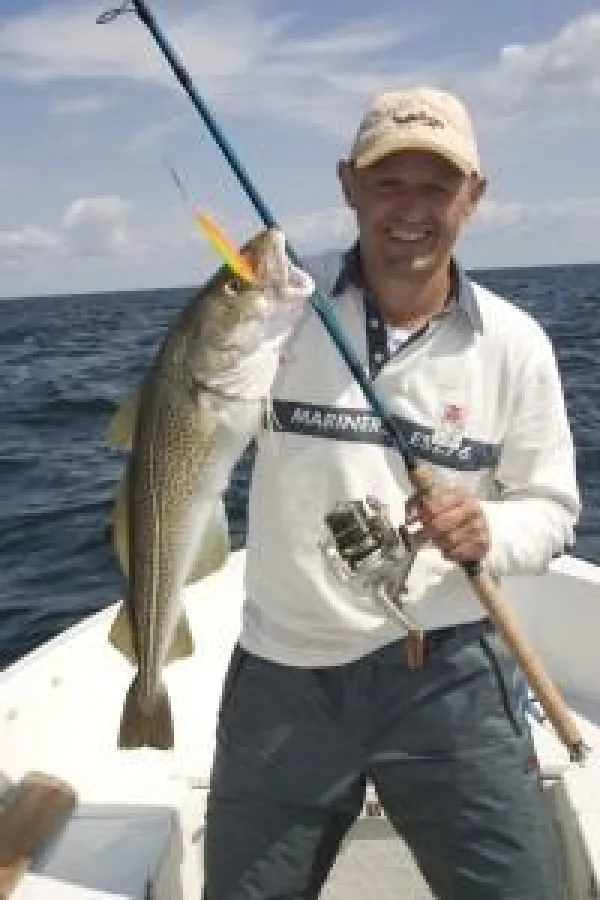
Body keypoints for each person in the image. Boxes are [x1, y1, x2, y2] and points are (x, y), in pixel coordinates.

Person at [202, 86, 580, 898]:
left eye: (436, 187)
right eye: (387, 184)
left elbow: (552, 508)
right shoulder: (281, 314)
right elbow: (193, 411)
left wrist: (488, 529)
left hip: (452, 671)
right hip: (285, 671)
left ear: (474, 197)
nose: (410, 210)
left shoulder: (515, 344)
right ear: (348, 185)